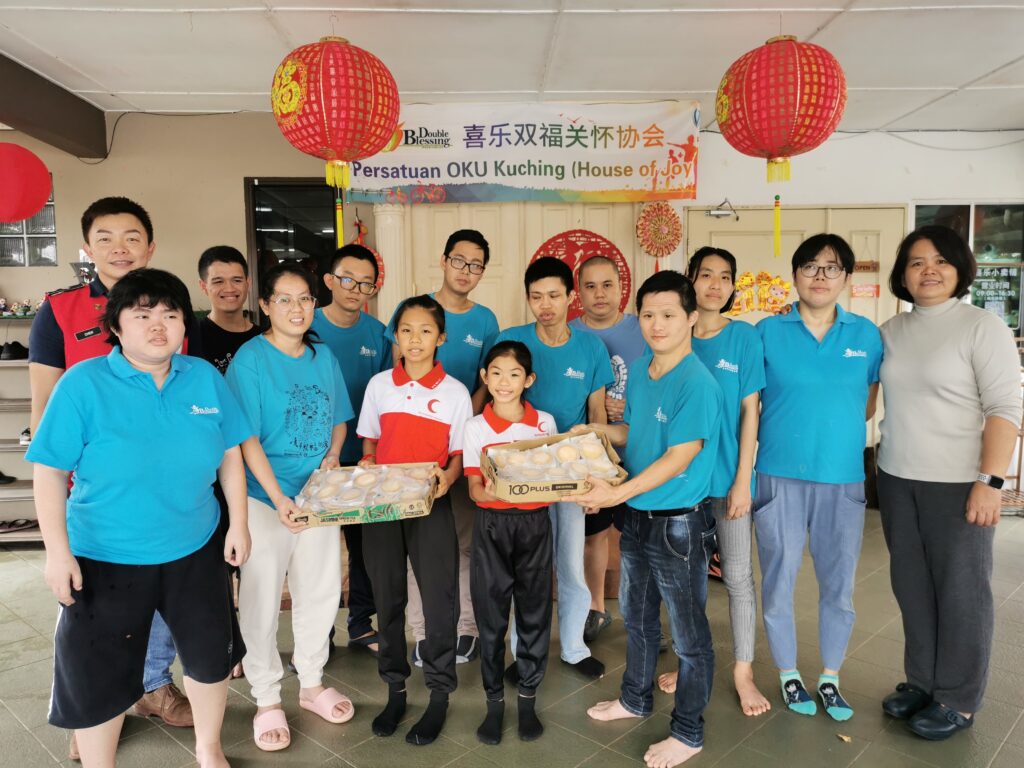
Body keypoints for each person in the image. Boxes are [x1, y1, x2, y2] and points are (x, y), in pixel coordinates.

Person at [28, 268, 252, 768]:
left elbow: (230, 454)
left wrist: (237, 522)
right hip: (105, 553)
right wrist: (57, 553)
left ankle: (209, 749)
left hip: (195, 545)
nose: (158, 325)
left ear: (184, 325)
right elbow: (49, 472)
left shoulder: (202, 377)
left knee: (209, 655)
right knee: (99, 671)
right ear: (116, 325)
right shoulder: (83, 383)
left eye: (170, 315)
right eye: (143, 314)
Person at [27, 198, 191, 757]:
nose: (119, 248)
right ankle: (92, 710)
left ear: (150, 245)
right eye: (105, 237)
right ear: (88, 247)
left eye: (131, 237)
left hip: (164, 491)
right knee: (88, 611)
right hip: (93, 493)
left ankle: (152, 686)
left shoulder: (171, 305)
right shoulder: (60, 310)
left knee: (160, 599)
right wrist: (58, 487)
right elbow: (43, 403)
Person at [568, 270, 722, 768]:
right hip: (637, 517)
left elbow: (680, 455)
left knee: (690, 637)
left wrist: (616, 492)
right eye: (649, 315)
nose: (657, 325)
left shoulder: (697, 382)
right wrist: (593, 430)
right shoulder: (641, 368)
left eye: (669, 315)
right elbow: (635, 430)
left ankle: (689, 732)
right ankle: (635, 698)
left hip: (678, 524)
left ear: (691, 318)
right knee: (637, 618)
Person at [877, 226, 1021, 740]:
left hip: (959, 484)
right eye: (917, 262)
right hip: (897, 478)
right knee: (912, 587)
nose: (929, 271)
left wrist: (991, 481)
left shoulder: (982, 327)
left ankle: (958, 698)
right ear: (903, 273)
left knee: (961, 593)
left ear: (960, 268)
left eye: (940, 260)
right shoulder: (891, 331)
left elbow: (1005, 408)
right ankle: (922, 682)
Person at [225, 263, 355, 752]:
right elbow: (246, 438)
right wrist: (279, 498)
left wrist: (333, 457)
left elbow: (339, 419)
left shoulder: (323, 356)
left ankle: (313, 682)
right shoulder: (251, 360)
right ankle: (265, 699)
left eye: (305, 299)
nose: (297, 308)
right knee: (261, 596)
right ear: (265, 305)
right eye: (284, 299)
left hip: (317, 494)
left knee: (320, 589)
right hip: (264, 497)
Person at [754, 234, 882, 721]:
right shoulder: (767, 332)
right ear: (795, 275)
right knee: (779, 578)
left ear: (846, 276)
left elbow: (866, 402)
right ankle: (788, 672)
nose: (820, 276)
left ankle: (830, 677)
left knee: (838, 582)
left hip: (842, 478)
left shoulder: (866, 336)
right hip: (778, 476)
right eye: (810, 266)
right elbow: (751, 405)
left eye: (831, 268)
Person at [656, 247, 770, 717]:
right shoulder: (673, 333)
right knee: (686, 581)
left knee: (738, 577)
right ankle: (688, 661)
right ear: (691, 279)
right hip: (682, 484)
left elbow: (750, 412)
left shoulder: (743, 337)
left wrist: (743, 480)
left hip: (726, 481)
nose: (715, 285)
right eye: (706, 275)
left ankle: (743, 671)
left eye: (725, 276)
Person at [357, 294, 473, 746]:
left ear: (441, 337)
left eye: (426, 330)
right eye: (406, 330)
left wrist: (448, 478)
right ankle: (396, 690)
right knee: (388, 598)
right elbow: (370, 442)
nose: (415, 339)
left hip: (430, 505)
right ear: (396, 336)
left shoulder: (455, 392)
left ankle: (439, 695)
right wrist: (368, 462)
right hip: (383, 507)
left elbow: (460, 454)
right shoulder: (379, 385)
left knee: (439, 599)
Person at [496, 256, 613, 682]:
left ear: (570, 298)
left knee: (570, 564)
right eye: (536, 297)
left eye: (553, 296)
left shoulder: (591, 348)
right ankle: (523, 651)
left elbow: (597, 413)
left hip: (571, 476)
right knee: (526, 569)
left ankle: (575, 648)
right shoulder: (511, 340)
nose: (545, 305)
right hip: (522, 476)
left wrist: (598, 478)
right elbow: (492, 397)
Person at [387, 230, 498, 666]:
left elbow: (488, 379)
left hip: (462, 445)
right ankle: (422, 632)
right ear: (444, 260)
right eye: (459, 260)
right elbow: (395, 378)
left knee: (465, 543)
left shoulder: (485, 320)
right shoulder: (414, 308)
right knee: (416, 550)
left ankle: (467, 627)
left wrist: (464, 424)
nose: (466, 271)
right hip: (413, 455)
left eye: (476, 265)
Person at [463, 341, 554, 745]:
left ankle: (528, 698)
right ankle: (494, 702)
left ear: (528, 380)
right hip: (492, 526)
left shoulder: (544, 424)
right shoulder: (475, 427)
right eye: (496, 373)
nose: (504, 382)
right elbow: (474, 489)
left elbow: (552, 482)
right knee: (491, 616)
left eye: (514, 374)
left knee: (534, 612)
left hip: (535, 525)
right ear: (485, 377)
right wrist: (492, 490)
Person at [311, 244, 390, 658]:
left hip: (364, 457)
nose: (356, 289)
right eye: (348, 280)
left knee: (365, 551)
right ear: (329, 281)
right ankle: (319, 632)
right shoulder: (305, 325)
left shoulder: (379, 333)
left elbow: (387, 394)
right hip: (315, 460)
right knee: (318, 552)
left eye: (365, 283)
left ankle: (360, 623)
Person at [569, 255, 647, 642]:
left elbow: (664, 382)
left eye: (607, 285)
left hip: (641, 451)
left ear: (621, 287)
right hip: (590, 455)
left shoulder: (644, 328)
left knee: (640, 539)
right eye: (590, 286)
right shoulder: (569, 334)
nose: (599, 294)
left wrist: (629, 408)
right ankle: (596, 608)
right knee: (593, 535)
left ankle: (644, 615)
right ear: (578, 292)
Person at [196, 246, 260, 374]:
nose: (229, 289)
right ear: (203, 286)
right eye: (218, 281)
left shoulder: (263, 338)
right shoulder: (192, 337)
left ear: (248, 283)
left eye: (237, 280)